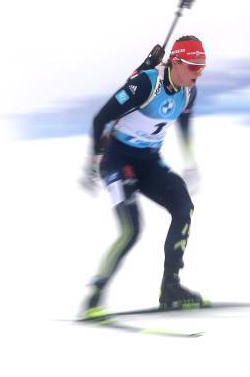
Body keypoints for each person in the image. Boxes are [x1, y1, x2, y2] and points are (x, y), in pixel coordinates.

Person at [81, 36, 207, 318]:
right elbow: (100, 118)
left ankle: (171, 288)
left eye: (202, 67)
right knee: (131, 230)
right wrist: (92, 160)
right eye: (193, 66)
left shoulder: (188, 90)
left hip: (148, 162)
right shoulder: (147, 83)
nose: (199, 73)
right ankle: (94, 296)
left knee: (183, 207)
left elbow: (184, 122)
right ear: (176, 62)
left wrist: (190, 162)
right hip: (118, 161)